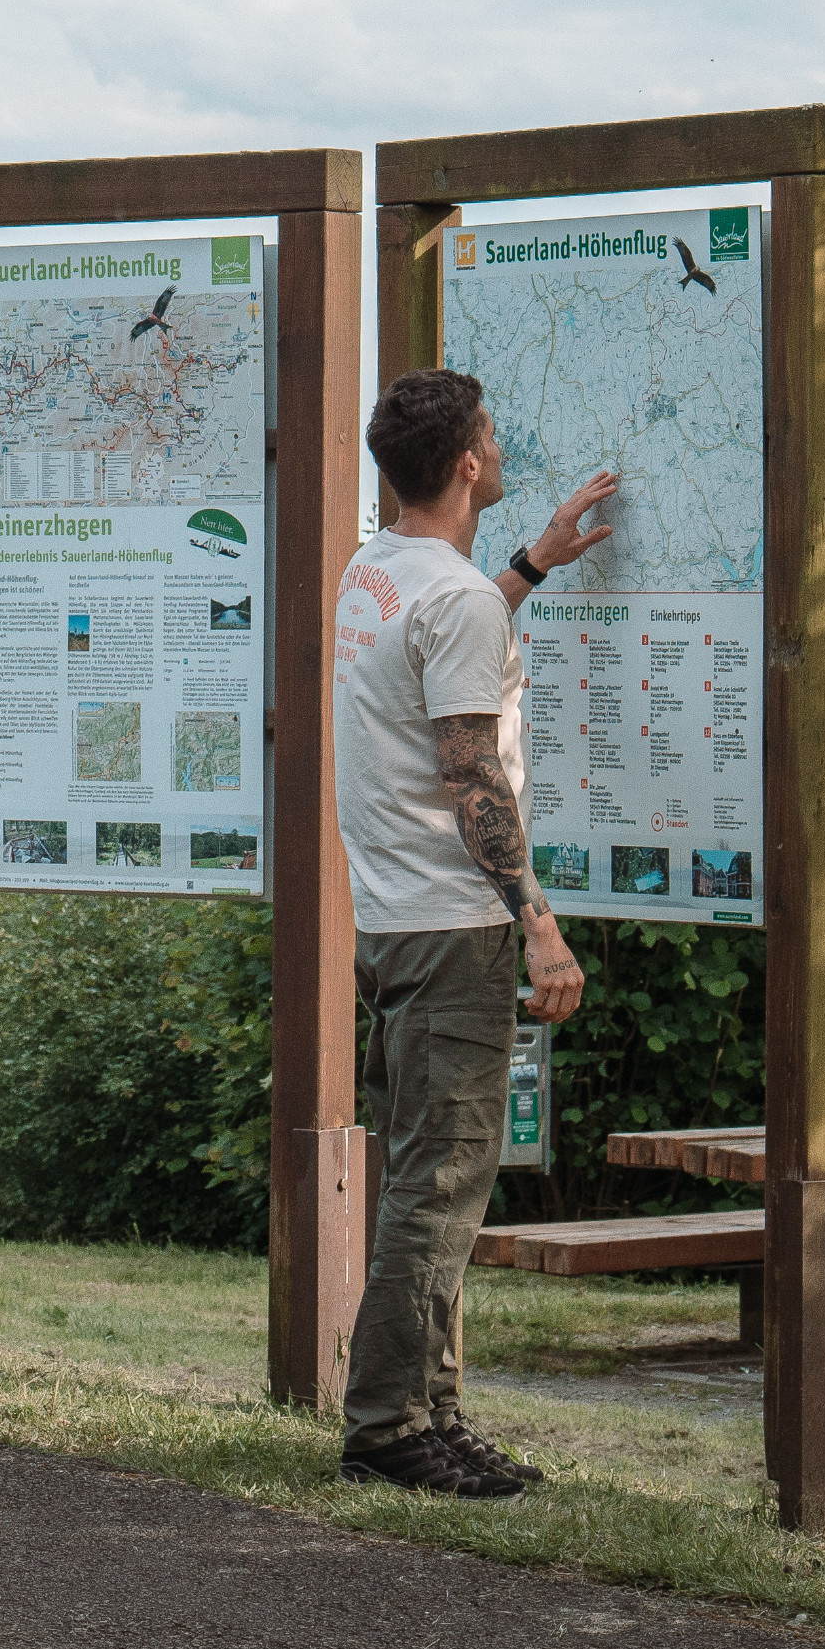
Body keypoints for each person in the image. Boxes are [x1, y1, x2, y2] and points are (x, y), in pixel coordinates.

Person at [327, 370, 615, 1499]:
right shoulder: (451, 601)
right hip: (455, 925)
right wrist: (535, 923)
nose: (498, 451)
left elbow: (443, 645)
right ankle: (389, 1427)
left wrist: (530, 565)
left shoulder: (378, 573)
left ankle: (432, 1412)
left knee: (423, 1174)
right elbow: (469, 773)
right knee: (438, 1186)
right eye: (490, 438)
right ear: (464, 465)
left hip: (395, 917)